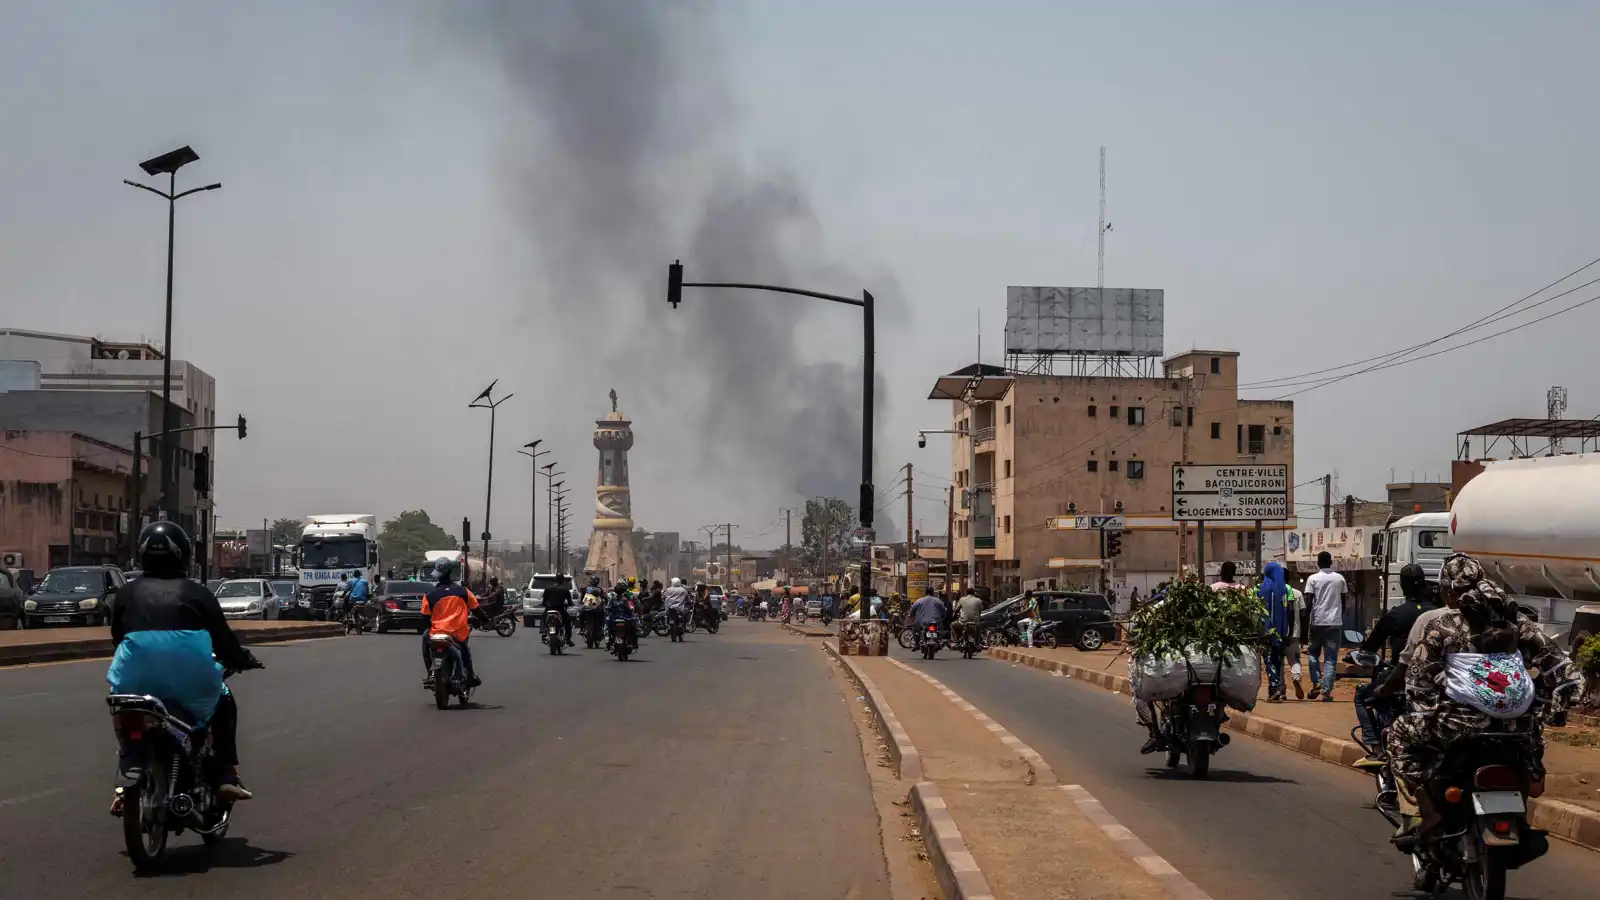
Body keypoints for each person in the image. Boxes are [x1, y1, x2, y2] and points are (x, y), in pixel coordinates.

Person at [1386, 553, 1581, 842]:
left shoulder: (1443, 626)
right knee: (1532, 756)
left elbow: (1419, 678)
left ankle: (1424, 812)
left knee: (1398, 735)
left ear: (1450, 591)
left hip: (1459, 725)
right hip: (1519, 726)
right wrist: (1549, 707)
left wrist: (1427, 710)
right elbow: (1559, 668)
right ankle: (1523, 807)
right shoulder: (1519, 622)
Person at [107, 522, 262, 810]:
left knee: (129, 720)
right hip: (191, 684)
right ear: (184, 555)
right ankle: (226, 772)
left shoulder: (125, 594)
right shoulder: (198, 593)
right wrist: (242, 660)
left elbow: (117, 638)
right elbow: (224, 643)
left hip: (132, 681)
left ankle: (123, 782)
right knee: (224, 698)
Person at [1349, 564, 1438, 765]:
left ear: (1403, 587)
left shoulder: (1396, 614)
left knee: (1362, 696)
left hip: (1402, 677)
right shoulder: (1439, 614)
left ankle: (1376, 748)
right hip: (1437, 679)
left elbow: (1370, 647)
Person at [420, 559, 480, 689]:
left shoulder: (430, 595)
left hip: (435, 633)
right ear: (450, 572)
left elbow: (424, 617)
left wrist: (430, 628)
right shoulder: (463, 592)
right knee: (464, 649)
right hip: (457, 633)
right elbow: (477, 610)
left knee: (425, 642)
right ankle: (470, 675)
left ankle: (430, 674)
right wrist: (485, 621)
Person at [1258, 561, 1306, 702]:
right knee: (1295, 660)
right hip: (1292, 633)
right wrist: (1303, 636)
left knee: (1277, 662)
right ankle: (1296, 676)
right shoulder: (1296, 593)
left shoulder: (1265, 591)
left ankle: (1280, 690)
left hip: (1273, 634)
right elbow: (1303, 615)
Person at [1303, 551, 1347, 701]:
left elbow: (1308, 603)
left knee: (1313, 654)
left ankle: (1317, 682)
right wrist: (1338, 617)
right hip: (1334, 624)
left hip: (1316, 623)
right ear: (1331, 562)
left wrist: (1306, 623)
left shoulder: (1312, 579)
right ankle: (1326, 692)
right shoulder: (1339, 579)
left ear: (1318, 563)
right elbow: (1344, 602)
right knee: (1330, 659)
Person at [542, 575, 574, 646]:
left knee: (543, 618)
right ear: (562, 580)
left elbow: (544, 600)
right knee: (567, 621)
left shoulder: (548, 588)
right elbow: (570, 602)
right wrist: (569, 604)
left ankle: (543, 632)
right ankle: (568, 638)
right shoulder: (565, 589)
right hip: (560, 609)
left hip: (549, 609)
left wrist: (543, 604)